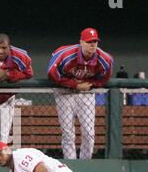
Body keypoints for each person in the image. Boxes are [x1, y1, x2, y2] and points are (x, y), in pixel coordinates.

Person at [47, 28, 113, 159]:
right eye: (89, 42)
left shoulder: (105, 59)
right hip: (64, 92)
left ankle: (85, 163)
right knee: (67, 132)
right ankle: (70, 164)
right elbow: (51, 73)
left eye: (95, 42)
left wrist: (90, 84)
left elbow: (105, 78)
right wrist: (75, 85)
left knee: (89, 132)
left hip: (86, 93)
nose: (92, 45)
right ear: (81, 42)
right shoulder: (65, 53)